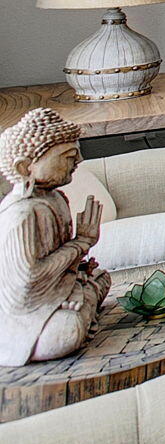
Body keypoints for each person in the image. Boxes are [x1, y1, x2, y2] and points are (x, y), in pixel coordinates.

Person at [0, 107, 111, 365]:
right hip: (26, 313)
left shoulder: (56, 199)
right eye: (68, 155)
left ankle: (80, 300)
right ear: (25, 166)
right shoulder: (22, 214)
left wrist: (77, 267)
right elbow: (29, 279)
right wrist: (81, 243)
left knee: (101, 278)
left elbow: (55, 259)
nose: (79, 161)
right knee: (65, 331)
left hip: (59, 292)